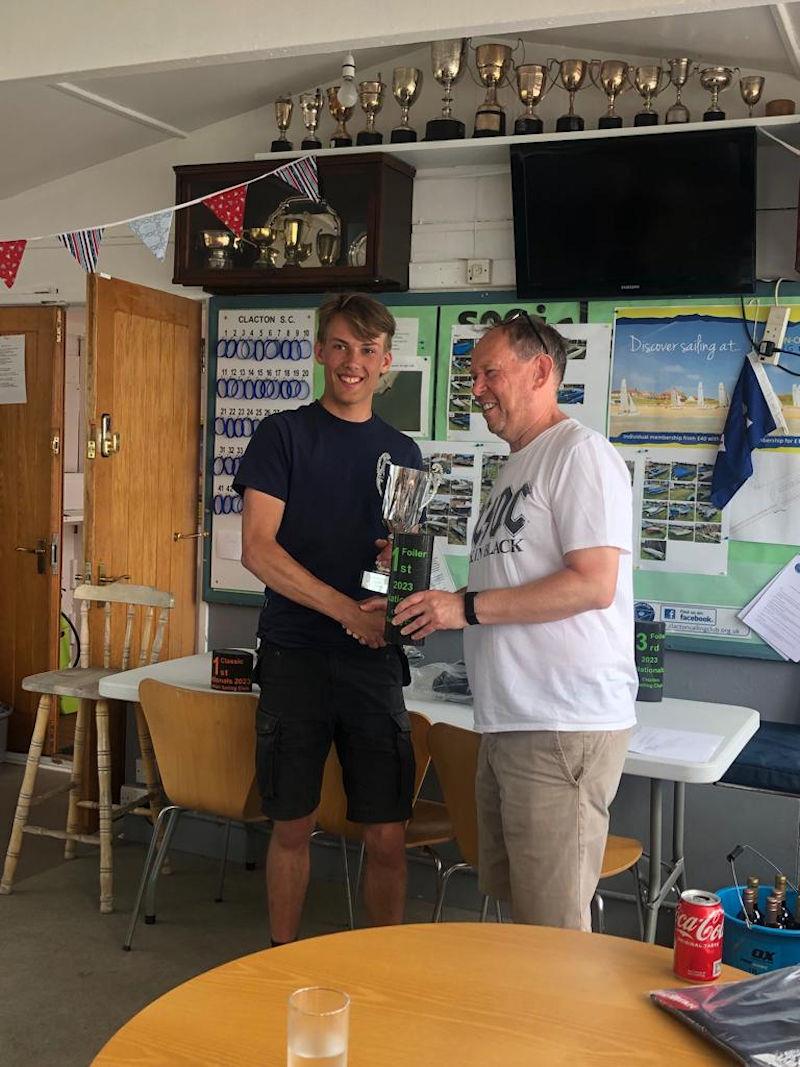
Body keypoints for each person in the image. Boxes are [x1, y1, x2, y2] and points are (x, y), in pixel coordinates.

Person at [386, 314, 637, 930]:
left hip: (561, 725)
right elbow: (510, 589)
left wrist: (464, 608)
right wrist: (432, 592)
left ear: (541, 370)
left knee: (552, 931)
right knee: (518, 922)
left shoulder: (581, 454)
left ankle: (560, 1032)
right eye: (473, 375)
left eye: (489, 372)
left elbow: (593, 583)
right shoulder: (516, 467)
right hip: (508, 721)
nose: (476, 389)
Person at [234, 293, 422, 945]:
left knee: (389, 834)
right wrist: (349, 611)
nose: (353, 362)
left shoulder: (403, 451)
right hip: (295, 656)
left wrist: (400, 567)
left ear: (386, 363)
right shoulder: (282, 434)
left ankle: (385, 971)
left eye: (368, 350)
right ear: (319, 351)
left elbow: (407, 564)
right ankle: (279, 962)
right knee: (290, 824)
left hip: (374, 663)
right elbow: (257, 548)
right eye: (341, 345)